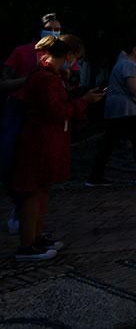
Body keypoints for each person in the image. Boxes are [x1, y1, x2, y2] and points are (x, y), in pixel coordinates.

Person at [9, 35, 103, 261]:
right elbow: (56, 111)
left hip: (45, 138)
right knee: (32, 192)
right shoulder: (45, 78)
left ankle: (35, 237)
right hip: (40, 140)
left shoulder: (51, 76)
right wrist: (84, 102)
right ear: (66, 56)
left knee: (41, 190)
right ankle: (27, 243)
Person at [2, 13, 64, 235]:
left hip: (44, 114)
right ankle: (20, 208)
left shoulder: (60, 53)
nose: (54, 32)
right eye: (50, 28)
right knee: (10, 160)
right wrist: (29, 80)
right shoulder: (22, 52)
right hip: (18, 110)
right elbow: (4, 82)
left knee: (39, 170)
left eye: (58, 28)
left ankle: (32, 221)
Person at [88, 31, 136, 187]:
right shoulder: (128, 65)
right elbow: (135, 90)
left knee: (110, 143)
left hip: (120, 110)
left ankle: (95, 176)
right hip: (127, 110)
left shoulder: (124, 62)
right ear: (135, 48)